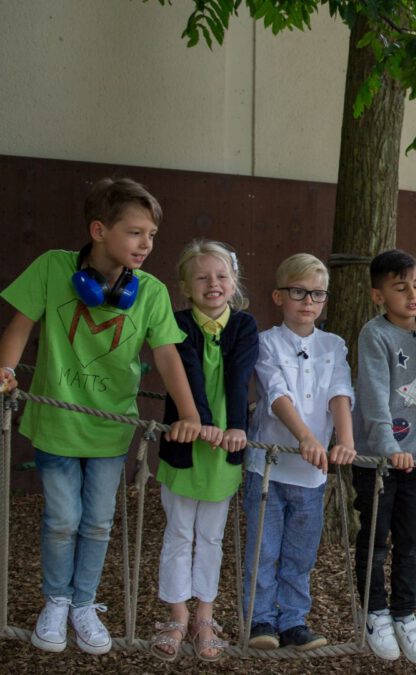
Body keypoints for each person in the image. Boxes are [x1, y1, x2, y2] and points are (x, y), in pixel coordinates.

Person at [0, 177, 202, 655]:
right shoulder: (52, 268)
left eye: (151, 234)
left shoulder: (149, 292)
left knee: (97, 522)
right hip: (56, 423)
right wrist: (6, 371)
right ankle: (56, 600)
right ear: (98, 230)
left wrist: (189, 413)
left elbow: (169, 356)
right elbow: (19, 327)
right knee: (62, 519)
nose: (146, 244)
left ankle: (83, 604)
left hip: (112, 430)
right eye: (134, 232)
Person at [152, 240, 259, 661]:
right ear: (185, 286)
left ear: (234, 282)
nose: (212, 284)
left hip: (222, 449)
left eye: (221, 276)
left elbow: (239, 374)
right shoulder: (177, 322)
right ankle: (176, 615)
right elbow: (190, 371)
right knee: (179, 532)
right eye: (202, 277)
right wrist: (203, 424)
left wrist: (234, 427)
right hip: (186, 444)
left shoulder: (244, 325)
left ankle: (204, 615)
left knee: (211, 537)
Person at [243, 253, 355, 652]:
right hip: (268, 469)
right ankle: (260, 619)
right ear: (278, 296)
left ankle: (293, 620)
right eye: (299, 292)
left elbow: (340, 391)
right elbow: (276, 394)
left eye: (318, 294)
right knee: (263, 549)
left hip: (312, 475)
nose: (308, 302)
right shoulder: (266, 342)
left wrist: (345, 440)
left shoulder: (333, 344)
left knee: (299, 553)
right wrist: (307, 437)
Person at [352, 249, 416, 665]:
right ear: (378, 296)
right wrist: (389, 449)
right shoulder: (375, 334)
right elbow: (373, 396)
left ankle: (405, 612)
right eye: (400, 288)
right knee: (376, 537)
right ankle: (376, 612)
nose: (412, 294)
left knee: (411, 542)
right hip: (378, 460)